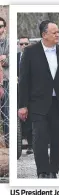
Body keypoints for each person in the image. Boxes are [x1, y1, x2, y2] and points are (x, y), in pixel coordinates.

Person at [18, 20, 59, 178]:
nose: (58, 34)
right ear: (44, 35)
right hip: (37, 103)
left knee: (57, 139)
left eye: (58, 32)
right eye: (54, 32)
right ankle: (42, 170)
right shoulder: (30, 52)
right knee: (40, 138)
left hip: (58, 103)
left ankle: (53, 171)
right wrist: (22, 105)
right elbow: (24, 81)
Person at [17, 36, 33, 154]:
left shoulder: (34, 58)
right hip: (17, 92)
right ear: (18, 45)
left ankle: (31, 145)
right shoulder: (16, 58)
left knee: (30, 119)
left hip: (31, 93)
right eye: (21, 44)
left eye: (26, 44)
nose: (24, 46)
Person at [0, 16, 9, 147]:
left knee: (7, 114)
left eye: (0, 26)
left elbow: (9, 61)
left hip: (6, 82)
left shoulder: (9, 43)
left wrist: (5, 59)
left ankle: (8, 143)